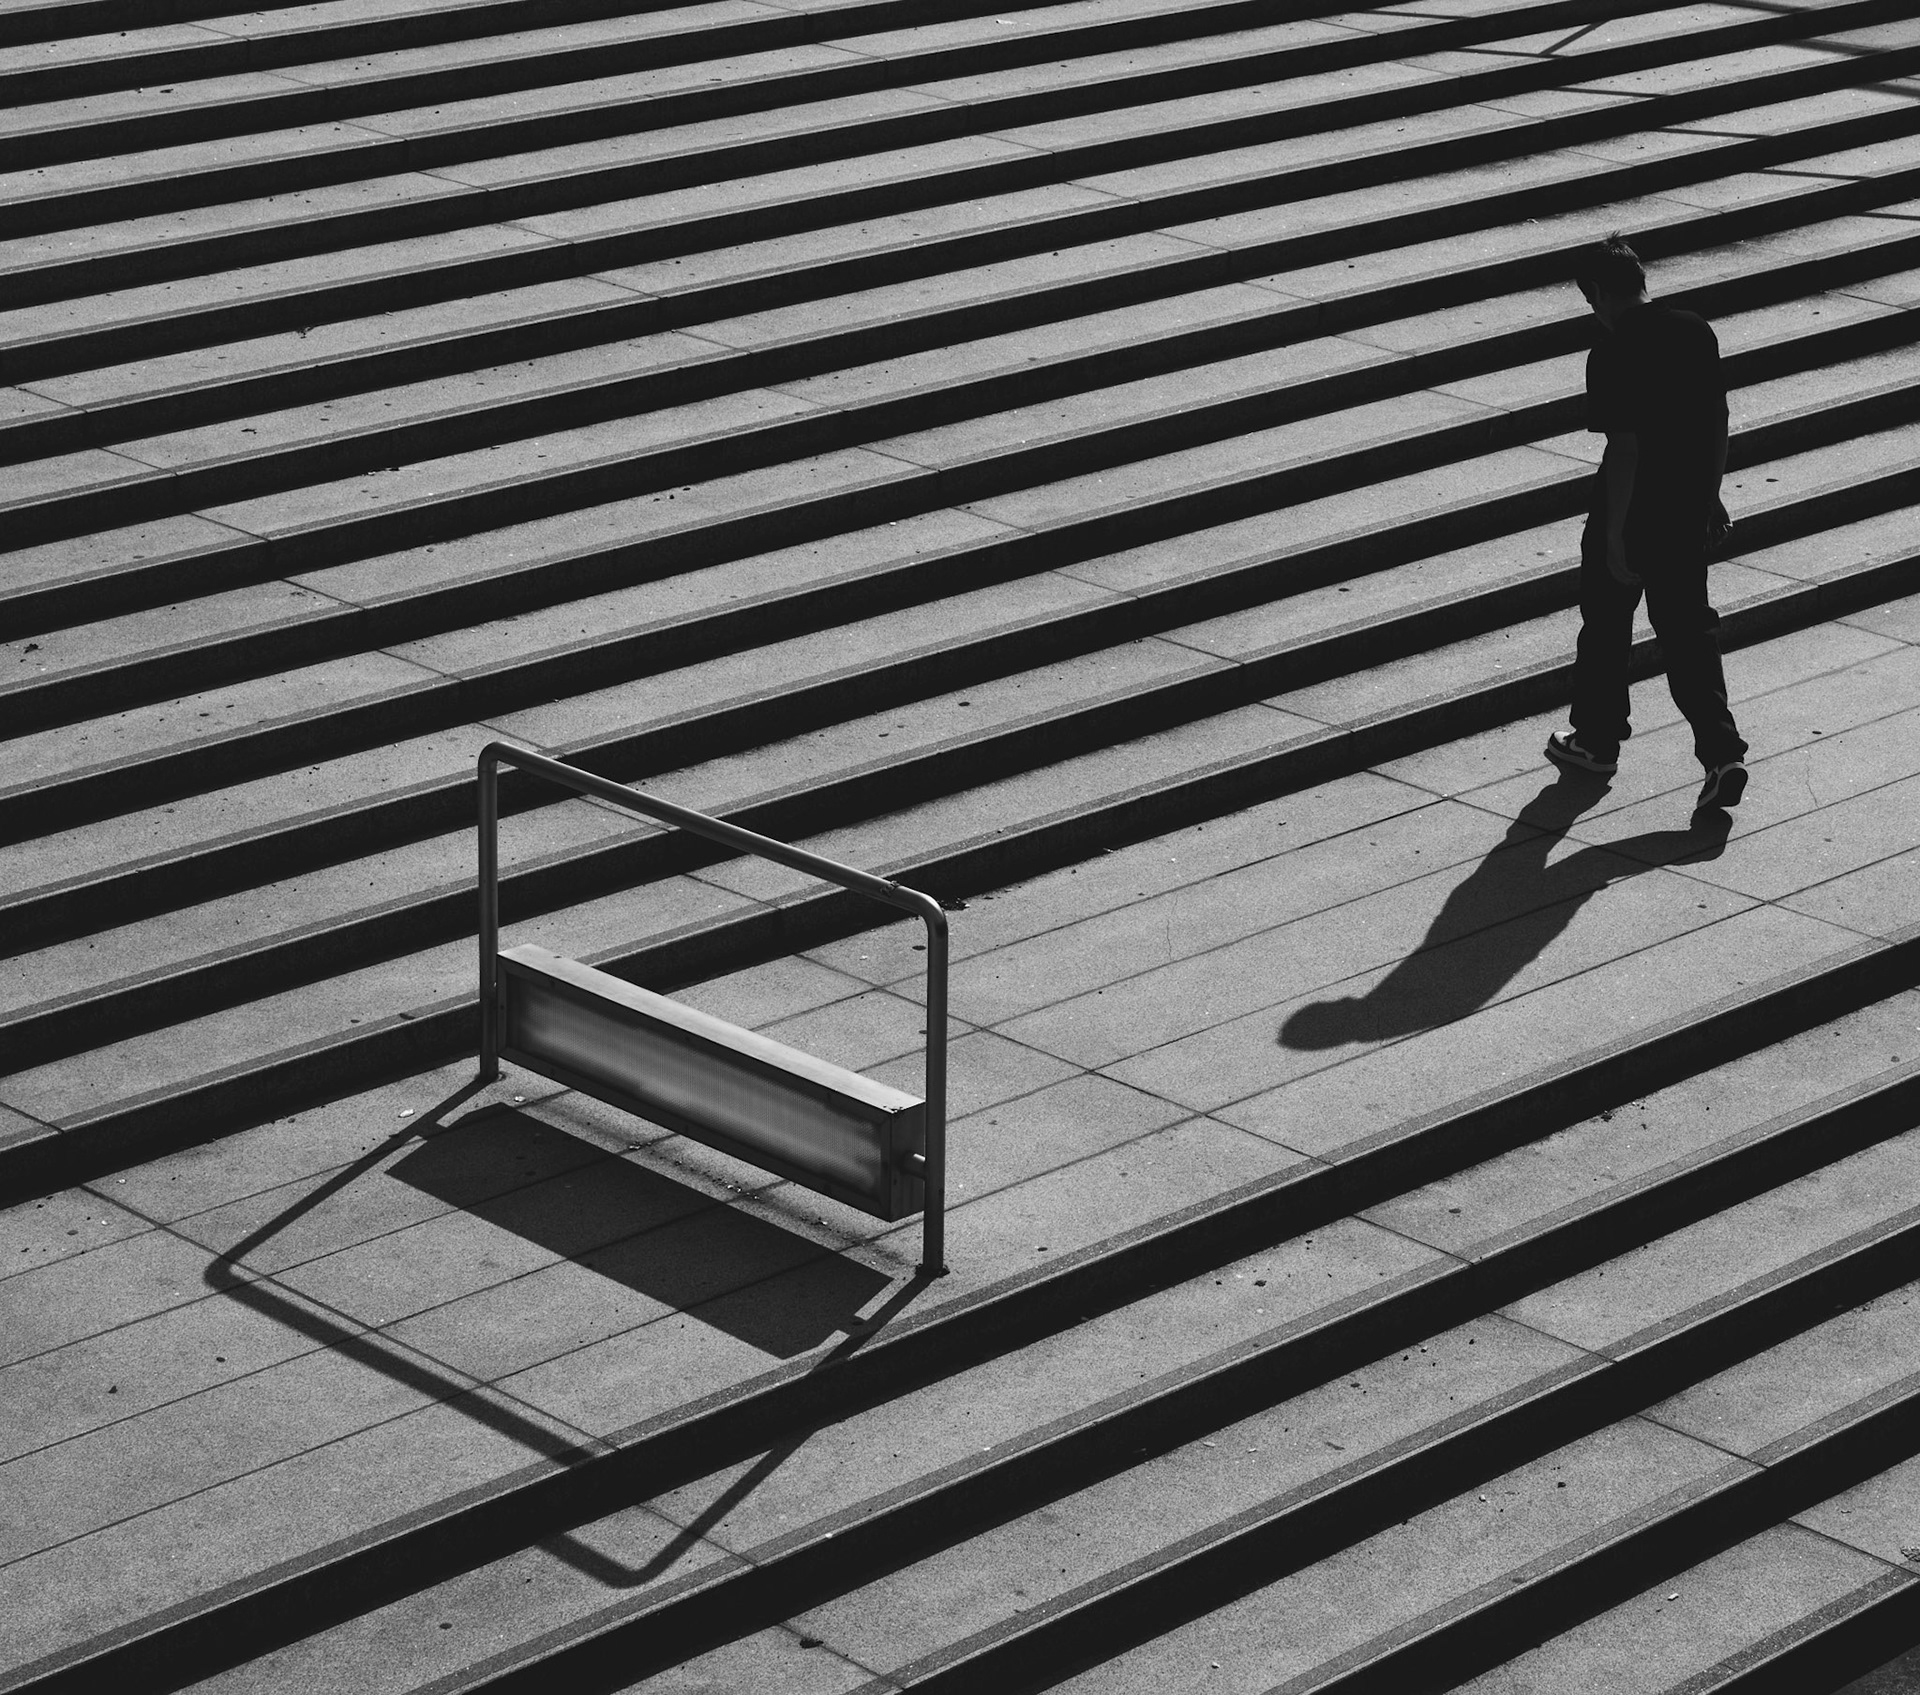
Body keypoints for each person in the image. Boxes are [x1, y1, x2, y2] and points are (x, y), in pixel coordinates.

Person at [1545, 235, 1747, 812]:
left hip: (1631, 509)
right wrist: (1709, 495)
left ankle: (1597, 740)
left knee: (1607, 622)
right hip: (1687, 503)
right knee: (1689, 632)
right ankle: (1721, 752)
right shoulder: (1693, 328)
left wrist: (1613, 535)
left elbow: (1626, 450)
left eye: (1591, 300)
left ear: (1601, 293)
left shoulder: (1610, 352)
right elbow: (1718, 421)